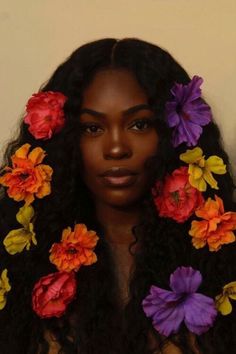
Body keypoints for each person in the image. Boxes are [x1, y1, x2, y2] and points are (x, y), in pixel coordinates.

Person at [0, 38, 235, 354]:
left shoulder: (226, 258)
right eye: (92, 128)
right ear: (65, 141)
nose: (116, 148)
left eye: (139, 124)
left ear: (173, 133)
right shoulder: (19, 262)